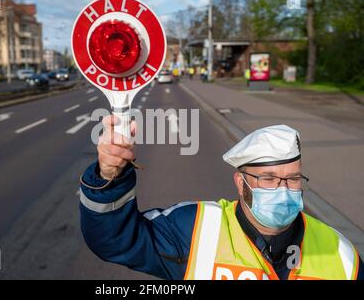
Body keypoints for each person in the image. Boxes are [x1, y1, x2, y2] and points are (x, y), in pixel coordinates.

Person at [79, 119, 363, 280]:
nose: (284, 189)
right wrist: (109, 176)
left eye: (293, 179)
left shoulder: (341, 253)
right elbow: (115, 242)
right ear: (240, 183)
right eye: (268, 178)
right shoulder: (196, 228)